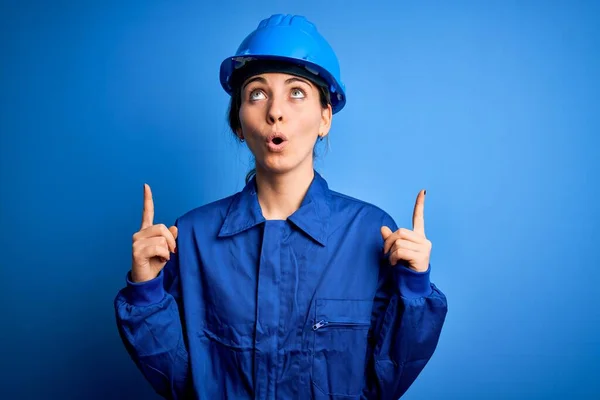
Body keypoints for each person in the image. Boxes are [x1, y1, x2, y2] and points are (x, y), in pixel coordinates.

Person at [114, 13, 448, 400]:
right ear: (238, 123)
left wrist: (415, 287)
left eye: (297, 92)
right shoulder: (189, 238)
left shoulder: (371, 233)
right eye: (256, 93)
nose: (275, 110)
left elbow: (387, 382)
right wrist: (146, 293)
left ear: (325, 118)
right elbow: (180, 384)